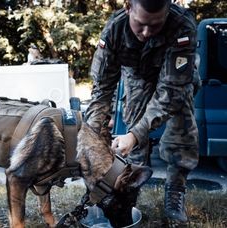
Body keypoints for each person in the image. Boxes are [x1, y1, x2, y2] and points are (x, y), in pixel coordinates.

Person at [84, 0, 200, 225]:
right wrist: (95, 138)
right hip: (137, 76)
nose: (146, 32)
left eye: (155, 25)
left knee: (182, 126)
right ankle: (130, 191)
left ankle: (175, 192)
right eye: (141, 24)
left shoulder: (183, 26)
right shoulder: (114, 30)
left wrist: (136, 133)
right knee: (133, 133)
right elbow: (102, 91)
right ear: (128, 8)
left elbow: (170, 91)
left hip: (175, 82)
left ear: (167, 12)